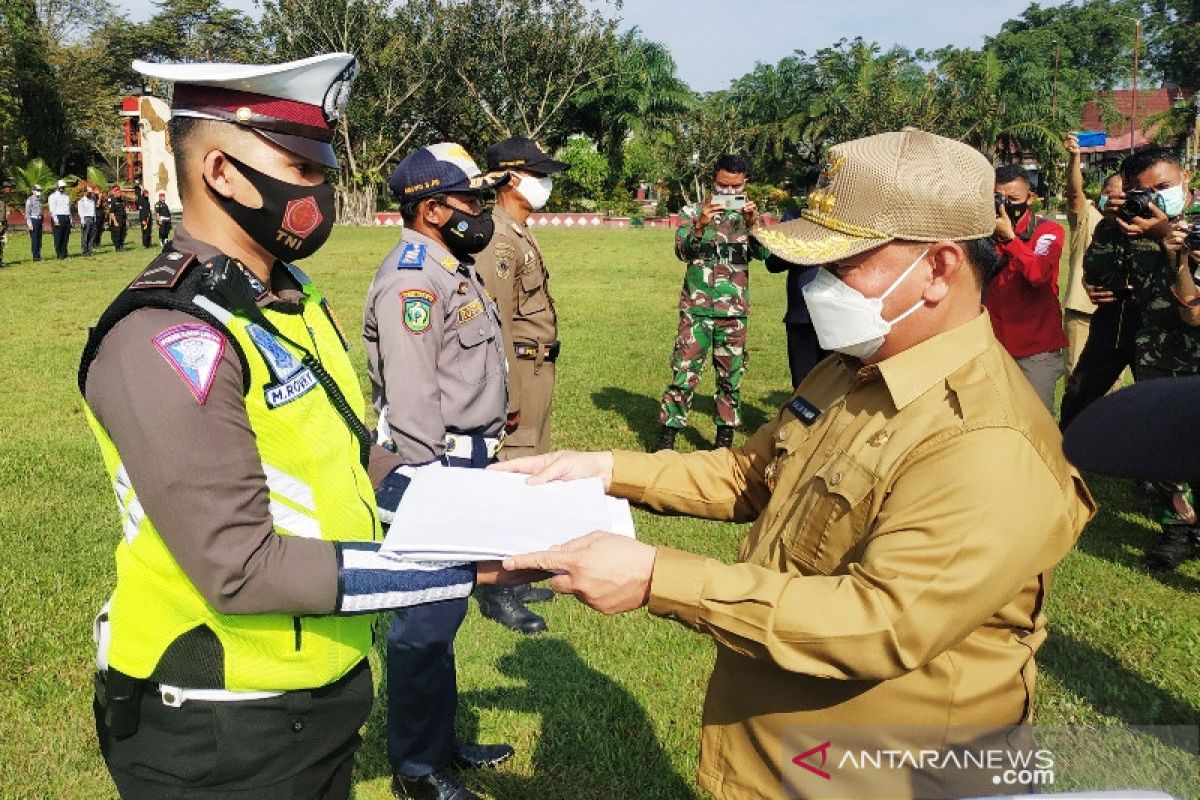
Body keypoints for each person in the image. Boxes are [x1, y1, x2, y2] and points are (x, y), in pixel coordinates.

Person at [500, 129, 1094, 800]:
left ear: (938, 269)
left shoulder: (987, 440)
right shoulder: (853, 369)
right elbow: (748, 474)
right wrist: (602, 467)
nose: (821, 285)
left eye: (846, 263)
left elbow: (878, 623)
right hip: (783, 758)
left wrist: (655, 577)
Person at [79, 53, 522, 799]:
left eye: (322, 168)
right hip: (219, 724)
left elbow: (355, 459)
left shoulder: (286, 300)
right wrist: (461, 570)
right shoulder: (168, 333)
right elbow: (240, 566)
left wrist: (487, 513)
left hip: (316, 693)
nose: (320, 191)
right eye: (301, 168)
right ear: (220, 172)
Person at [364, 142, 516, 800]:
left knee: (442, 619)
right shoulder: (413, 280)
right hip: (435, 473)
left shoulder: (450, 265)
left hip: (461, 467)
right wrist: (434, 494)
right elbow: (414, 397)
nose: (481, 213)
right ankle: (417, 773)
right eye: (470, 202)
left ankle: (438, 745)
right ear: (431, 209)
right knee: (423, 628)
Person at [1082, 145, 1200, 571]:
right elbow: (1097, 274)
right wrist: (1113, 224)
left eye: (1163, 187)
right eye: (1141, 191)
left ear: (1185, 177)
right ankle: (1177, 529)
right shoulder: (1129, 222)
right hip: (1158, 348)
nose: (1153, 198)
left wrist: (1169, 235)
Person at [472, 136, 571, 633]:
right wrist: (507, 392)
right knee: (511, 473)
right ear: (511, 179)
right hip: (520, 369)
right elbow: (498, 324)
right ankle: (496, 590)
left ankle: (514, 569)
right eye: (539, 174)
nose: (546, 183)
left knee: (530, 469)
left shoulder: (519, 231)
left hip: (538, 368)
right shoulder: (499, 238)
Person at [652, 154, 769, 452]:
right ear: (712, 182)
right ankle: (667, 438)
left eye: (735, 187)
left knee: (730, 378)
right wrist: (700, 226)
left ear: (745, 183)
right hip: (696, 310)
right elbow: (682, 251)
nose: (728, 193)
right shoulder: (692, 211)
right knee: (683, 373)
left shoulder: (751, 217)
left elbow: (765, 255)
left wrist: (753, 225)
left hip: (733, 312)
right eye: (722, 186)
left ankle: (723, 442)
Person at [1057, 136, 1136, 431]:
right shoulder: (1092, 219)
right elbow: (1074, 192)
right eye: (1110, 193)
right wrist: (1075, 158)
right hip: (1085, 312)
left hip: (1132, 319)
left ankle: (1106, 438)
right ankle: (1073, 442)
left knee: (1117, 388)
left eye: (1123, 194)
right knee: (1081, 385)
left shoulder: (1149, 224)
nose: (1115, 199)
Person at [987, 163, 1069, 412]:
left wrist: (1011, 240)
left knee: (1037, 421)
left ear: (1030, 198)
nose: (1005, 205)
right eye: (998, 198)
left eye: (1013, 199)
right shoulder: (981, 235)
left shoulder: (1047, 231)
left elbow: (1039, 275)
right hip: (992, 348)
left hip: (1036, 351)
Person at [48, 179, 71, 259]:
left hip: (66, 217)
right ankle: (59, 254)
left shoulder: (66, 196)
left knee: (65, 237)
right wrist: (55, 220)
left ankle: (64, 252)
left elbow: (68, 208)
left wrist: (70, 219)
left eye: (63, 187)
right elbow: (52, 209)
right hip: (58, 217)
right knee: (58, 237)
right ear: (57, 186)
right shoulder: (53, 196)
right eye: (60, 186)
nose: (62, 188)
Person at [25, 184, 43, 262]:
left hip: (39, 220)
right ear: (32, 191)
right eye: (37, 190)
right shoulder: (29, 200)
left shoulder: (39, 200)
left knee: (39, 239)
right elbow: (27, 213)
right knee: (34, 239)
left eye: (39, 190)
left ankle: (38, 255)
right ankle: (35, 256)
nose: (39, 192)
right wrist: (29, 224)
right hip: (33, 220)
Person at [108, 185, 128, 251]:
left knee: (123, 233)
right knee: (117, 234)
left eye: (120, 193)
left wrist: (126, 220)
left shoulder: (121, 201)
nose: (120, 194)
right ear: (115, 193)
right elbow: (112, 212)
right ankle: (117, 247)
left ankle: (121, 246)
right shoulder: (113, 201)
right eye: (118, 193)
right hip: (117, 220)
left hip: (123, 219)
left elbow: (124, 210)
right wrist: (115, 221)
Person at [78, 188, 97, 256]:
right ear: (85, 192)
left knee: (92, 236)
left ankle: (90, 250)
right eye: (88, 192)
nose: (90, 194)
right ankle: (85, 251)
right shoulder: (81, 201)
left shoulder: (92, 200)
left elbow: (94, 211)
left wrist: (94, 219)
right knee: (85, 235)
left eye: (90, 193)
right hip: (86, 218)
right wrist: (82, 221)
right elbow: (80, 212)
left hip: (92, 219)